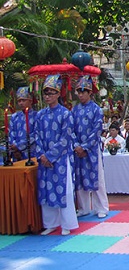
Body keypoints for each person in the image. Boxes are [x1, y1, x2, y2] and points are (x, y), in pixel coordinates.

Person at [35, 74, 78, 236]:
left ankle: (67, 223)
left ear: (58, 94)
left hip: (60, 158)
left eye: (51, 93)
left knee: (64, 190)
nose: (47, 96)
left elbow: (66, 138)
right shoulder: (40, 115)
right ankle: (51, 223)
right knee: (46, 190)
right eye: (45, 93)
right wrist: (42, 155)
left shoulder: (66, 114)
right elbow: (37, 136)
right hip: (44, 158)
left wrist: (51, 156)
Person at [72, 75, 109, 219]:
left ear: (90, 93)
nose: (81, 95)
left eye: (84, 92)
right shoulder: (74, 110)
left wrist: (85, 147)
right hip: (78, 149)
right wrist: (76, 145)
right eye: (79, 92)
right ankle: (83, 207)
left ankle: (101, 207)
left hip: (92, 150)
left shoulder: (96, 110)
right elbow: (71, 130)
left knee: (97, 178)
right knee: (80, 178)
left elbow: (97, 130)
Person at [8, 86, 37, 161]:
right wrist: (15, 149)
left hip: (32, 153)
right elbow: (11, 134)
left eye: (23, 100)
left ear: (30, 101)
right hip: (16, 154)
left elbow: (35, 134)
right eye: (19, 101)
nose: (21, 103)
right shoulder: (15, 117)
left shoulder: (37, 116)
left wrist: (19, 146)